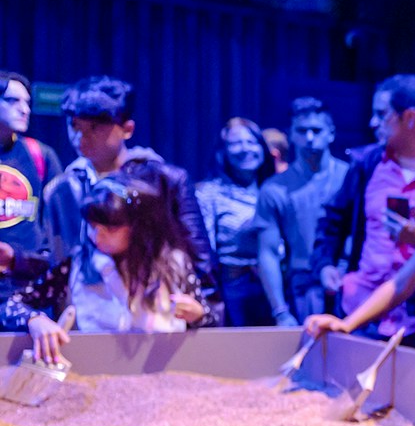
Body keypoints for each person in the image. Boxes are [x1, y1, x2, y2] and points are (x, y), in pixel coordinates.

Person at [5, 174, 217, 364]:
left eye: (111, 229)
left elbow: (211, 323)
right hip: (93, 376)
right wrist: (35, 320)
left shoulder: (174, 264)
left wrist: (198, 315)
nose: (97, 236)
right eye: (93, 226)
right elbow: (11, 305)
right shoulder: (77, 265)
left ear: (139, 228)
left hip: (163, 377)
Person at [310, 75, 415, 349]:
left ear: (409, 117)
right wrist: (325, 265)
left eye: (381, 114)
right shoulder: (367, 164)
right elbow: (333, 221)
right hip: (360, 309)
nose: (373, 123)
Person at [40, 76, 215, 280]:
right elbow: (54, 260)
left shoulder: (163, 180)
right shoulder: (62, 189)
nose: (81, 137)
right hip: (84, 304)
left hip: (154, 300)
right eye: (75, 126)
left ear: (127, 129)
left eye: (95, 127)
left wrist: (204, 308)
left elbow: (198, 256)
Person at [253, 97, 350, 325]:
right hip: (303, 287)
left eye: (316, 130)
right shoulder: (275, 188)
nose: (309, 138)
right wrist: (280, 311)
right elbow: (267, 253)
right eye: (302, 130)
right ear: (291, 134)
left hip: (350, 282)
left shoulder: (350, 177)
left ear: (331, 133)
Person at [195, 117, 277, 326]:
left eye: (251, 142)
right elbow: (204, 249)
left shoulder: (275, 188)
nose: (245, 149)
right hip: (233, 288)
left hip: (278, 287)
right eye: (236, 143)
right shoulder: (209, 192)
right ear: (223, 151)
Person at [0, 71, 64, 303]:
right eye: (13, 100)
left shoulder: (41, 156)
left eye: (28, 102)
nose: (25, 109)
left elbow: (59, 231)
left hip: (28, 289)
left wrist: (19, 259)